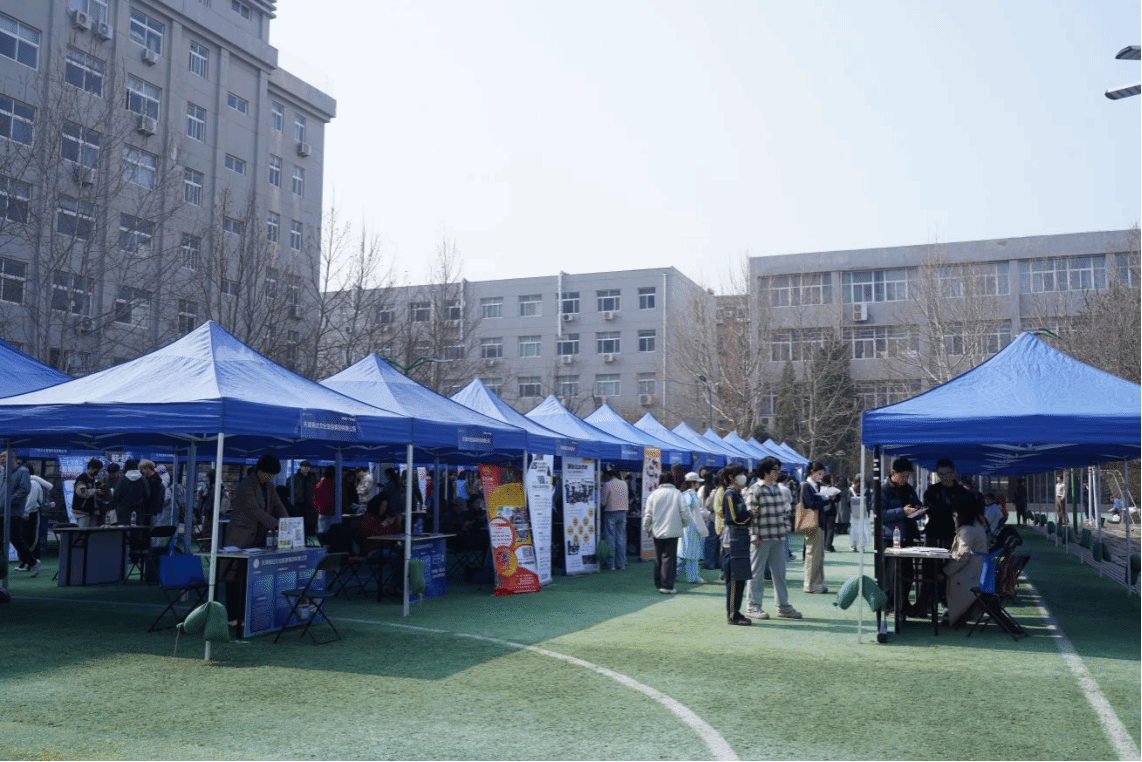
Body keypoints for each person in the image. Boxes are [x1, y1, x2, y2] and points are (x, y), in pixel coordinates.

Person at [223, 454, 291, 629]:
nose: (271, 477)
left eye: (273, 474)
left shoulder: (270, 487)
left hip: (257, 540)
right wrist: (278, 525)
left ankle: (246, 616)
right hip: (239, 539)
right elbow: (255, 510)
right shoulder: (246, 485)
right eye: (269, 473)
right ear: (260, 470)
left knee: (250, 579)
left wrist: (289, 523)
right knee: (234, 578)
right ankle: (232, 617)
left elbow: (279, 506)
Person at [744, 457, 802, 620]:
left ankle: (783, 606)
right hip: (761, 538)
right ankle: (753, 606)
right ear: (766, 471)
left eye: (778, 469)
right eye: (775, 469)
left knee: (780, 574)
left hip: (778, 536)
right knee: (756, 574)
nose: (778, 473)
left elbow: (784, 511)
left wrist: (786, 527)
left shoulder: (777, 488)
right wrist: (753, 534)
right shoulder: (755, 490)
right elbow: (751, 515)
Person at [880, 457, 923, 615]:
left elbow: (916, 503)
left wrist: (919, 510)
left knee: (907, 573)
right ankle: (889, 605)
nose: (905, 479)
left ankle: (902, 602)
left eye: (907, 476)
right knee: (890, 575)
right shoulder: (884, 489)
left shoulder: (908, 489)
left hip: (907, 536)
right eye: (903, 476)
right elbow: (880, 515)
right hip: (890, 537)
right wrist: (902, 512)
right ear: (893, 473)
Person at [942, 499, 989, 626]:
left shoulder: (968, 530)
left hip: (968, 576)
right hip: (977, 572)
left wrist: (945, 572)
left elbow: (962, 557)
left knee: (935, 579)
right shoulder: (978, 526)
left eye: (955, 514)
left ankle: (953, 613)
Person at [642, 471, 690, 594]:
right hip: (673, 530)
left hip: (657, 531)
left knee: (658, 558)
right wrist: (684, 524)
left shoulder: (654, 494)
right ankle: (667, 585)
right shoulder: (677, 494)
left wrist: (647, 527)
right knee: (669, 558)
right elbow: (685, 513)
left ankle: (658, 584)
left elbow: (648, 514)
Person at [720, 464, 753, 624]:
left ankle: (736, 612)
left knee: (740, 578)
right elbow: (733, 519)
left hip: (739, 539)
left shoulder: (737, 494)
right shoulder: (730, 494)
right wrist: (750, 515)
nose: (743, 476)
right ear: (731, 477)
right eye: (739, 474)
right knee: (734, 579)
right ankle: (732, 615)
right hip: (732, 541)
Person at [0, 451, 38, 578]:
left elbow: (24, 490)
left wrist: (8, 501)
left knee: (15, 539)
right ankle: (2, 569)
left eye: (4, 456)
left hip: (13, 513)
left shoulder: (22, 471)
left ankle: (32, 562)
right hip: (1, 511)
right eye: (1, 457)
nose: (2, 459)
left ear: (12, 458)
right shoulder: (3, 472)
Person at [799, 461, 833, 594]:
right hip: (812, 523)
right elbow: (811, 503)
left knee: (818, 555)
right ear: (812, 472)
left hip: (819, 522)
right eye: (819, 473)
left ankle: (817, 583)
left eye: (822, 474)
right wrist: (826, 500)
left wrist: (829, 499)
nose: (821, 476)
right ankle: (810, 584)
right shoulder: (806, 486)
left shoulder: (815, 485)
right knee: (812, 554)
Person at [677, 472, 709, 584]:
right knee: (692, 553)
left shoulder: (683, 494)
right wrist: (702, 528)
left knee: (683, 554)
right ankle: (693, 576)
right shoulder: (692, 495)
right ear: (693, 483)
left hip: (685, 526)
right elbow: (696, 514)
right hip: (693, 527)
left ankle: (670, 574)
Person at [600, 465, 629, 570]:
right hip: (623, 512)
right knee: (621, 539)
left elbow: (603, 502)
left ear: (607, 475)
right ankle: (621, 563)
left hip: (610, 512)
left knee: (610, 538)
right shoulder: (624, 484)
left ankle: (611, 564)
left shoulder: (607, 485)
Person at [111, 459, 150, 526]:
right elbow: (147, 494)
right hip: (138, 510)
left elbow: (116, 494)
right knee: (137, 529)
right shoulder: (143, 479)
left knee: (123, 529)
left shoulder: (122, 479)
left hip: (123, 510)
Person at [72, 458, 104, 528]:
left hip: (90, 511)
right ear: (91, 468)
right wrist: (96, 491)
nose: (98, 472)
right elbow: (82, 492)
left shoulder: (92, 478)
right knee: (82, 531)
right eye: (97, 470)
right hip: (82, 511)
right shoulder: (83, 478)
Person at [698, 468, 720, 570]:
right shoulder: (719, 490)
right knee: (717, 543)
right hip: (718, 519)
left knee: (709, 542)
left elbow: (704, 505)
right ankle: (717, 562)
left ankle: (709, 562)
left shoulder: (704, 489)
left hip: (709, 518)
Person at [290, 460, 319, 535]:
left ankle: (309, 537)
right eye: (304, 466)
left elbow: (316, 489)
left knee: (309, 523)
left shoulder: (313, 477)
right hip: (298, 503)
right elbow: (289, 487)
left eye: (307, 467)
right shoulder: (295, 477)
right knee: (298, 523)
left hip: (310, 503)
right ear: (301, 467)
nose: (306, 468)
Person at [313, 465, 337, 534]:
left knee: (322, 530)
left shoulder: (320, 483)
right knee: (332, 530)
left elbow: (315, 497)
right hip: (333, 510)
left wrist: (317, 508)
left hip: (322, 511)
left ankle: (322, 540)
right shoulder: (335, 484)